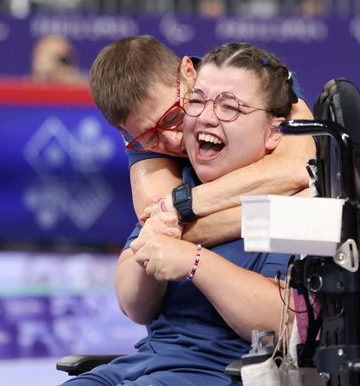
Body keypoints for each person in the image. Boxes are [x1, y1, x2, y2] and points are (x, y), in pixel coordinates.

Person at [60, 42, 303, 386]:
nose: (204, 117)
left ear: (273, 132)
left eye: (229, 107)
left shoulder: (294, 199)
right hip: (141, 364)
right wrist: (158, 235)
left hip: (219, 372)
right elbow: (133, 306)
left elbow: (285, 322)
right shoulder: (175, 185)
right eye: (198, 102)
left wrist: (194, 260)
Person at [89, 35, 315, 247]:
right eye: (151, 137)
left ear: (189, 72)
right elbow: (162, 229)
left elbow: (298, 167)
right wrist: (280, 209)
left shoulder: (258, 76)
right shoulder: (142, 135)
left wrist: (184, 204)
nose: (174, 139)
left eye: (174, 116)